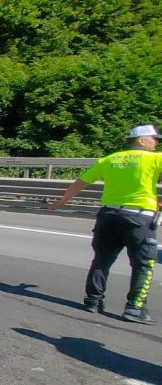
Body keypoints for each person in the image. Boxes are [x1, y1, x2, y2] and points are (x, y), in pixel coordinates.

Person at [49, 125, 162, 325]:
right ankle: (134, 309)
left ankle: (92, 301)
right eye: (154, 139)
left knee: (102, 259)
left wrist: (60, 203)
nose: (157, 142)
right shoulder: (155, 158)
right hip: (139, 217)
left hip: (108, 215)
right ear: (142, 140)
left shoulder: (109, 159)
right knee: (143, 264)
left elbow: (80, 182)